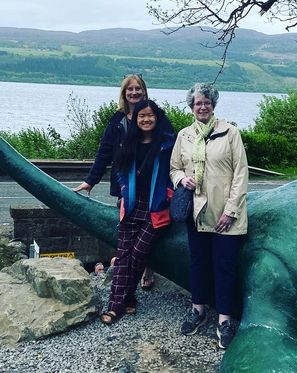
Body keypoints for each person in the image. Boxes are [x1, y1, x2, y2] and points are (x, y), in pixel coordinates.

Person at [73, 73, 172, 290]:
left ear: (144, 91)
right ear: (124, 93)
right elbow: (104, 153)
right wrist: (91, 181)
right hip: (126, 186)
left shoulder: (156, 116)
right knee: (128, 233)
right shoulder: (117, 121)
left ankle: (147, 268)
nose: (134, 92)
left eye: (138, 89)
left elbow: (172, 147)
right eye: (130, 89)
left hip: (154, 186)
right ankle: (126, 281)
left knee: (151, 230)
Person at [169, 83, 248, 350]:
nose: (202, 107)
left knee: (224, 266)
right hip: (197, 212)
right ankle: (198, 310)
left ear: (213, 105)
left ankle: (224, 320)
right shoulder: (184, 135)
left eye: (207, 103)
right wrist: (182, 179)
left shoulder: (230, 133)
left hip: (225, 215)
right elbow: (174, 169)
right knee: (198, 262)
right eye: (197, 103)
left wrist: (231, 211)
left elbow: (241, 175)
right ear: (191, 107)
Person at [99, 100, 175, 324]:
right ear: (136, 118)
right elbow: (120, 171)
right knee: (123, 256)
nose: (146, 119)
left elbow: (176, 170)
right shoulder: (128, 143)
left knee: (139, 253)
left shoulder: (167, 145)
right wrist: (124, 190)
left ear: (156, 117)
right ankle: (117, 305)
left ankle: (128, 298)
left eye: (150, 115)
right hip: (132, 204)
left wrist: (168, 195)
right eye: (141, 115)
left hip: (156, 207)